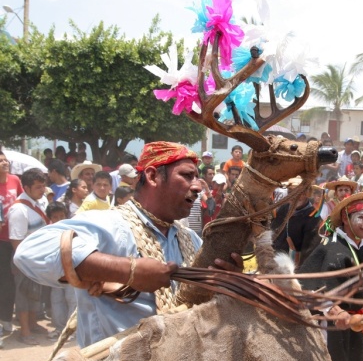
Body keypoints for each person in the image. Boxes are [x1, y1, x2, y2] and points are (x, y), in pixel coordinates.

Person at [13, 141, 241, 347]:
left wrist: (227, 283)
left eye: (197, 177)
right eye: (187, 176)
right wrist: (129, 270)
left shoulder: (191, 239)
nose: (198, 186)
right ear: (152, 176)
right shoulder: (108, 224)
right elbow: (29, 253)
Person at [298, 192, 363, 361]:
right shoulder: (333, 249)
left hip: (351, 321)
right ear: (346, 219)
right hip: (330, 325)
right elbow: (312, 289)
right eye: (360, 217)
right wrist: (335, 311)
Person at [8, 168, 50, 345]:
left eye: (43, 186)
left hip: (38, 259)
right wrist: (25, 264)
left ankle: (32, 324)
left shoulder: (40, 202)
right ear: (26, 187)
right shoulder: (19, 209)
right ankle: (24, 331)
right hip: (24, 261)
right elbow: (16, 241)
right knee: (23, 296)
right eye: (38, 187)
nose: (42, 190)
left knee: (35, 294)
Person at [44, 202, 77, 341]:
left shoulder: (73, 230)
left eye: (61, 216)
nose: (59, 219)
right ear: (50, 218)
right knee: (56, 300)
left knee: (72, 300)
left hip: (71, 270)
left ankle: (72, 330)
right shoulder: (47, 231)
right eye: (55, 216)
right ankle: (59, 328)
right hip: (55, 272)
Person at [272, 176, 322, 268]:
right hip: (273, 261)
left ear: (307, 194)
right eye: (290, 192)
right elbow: (273, 232)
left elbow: (308, 253)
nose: (294, 197)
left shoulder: (314, 218)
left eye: (299, 193)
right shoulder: (283, 208)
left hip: (292, 268)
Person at [0, 151, 23, 341]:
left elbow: (23, 201)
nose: (4, 162)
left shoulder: (15, 180)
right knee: (3, 280)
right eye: (0, 161)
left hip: (15, 238)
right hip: (0, 241)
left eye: (5, 159)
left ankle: (8, 317)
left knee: (13, 279)